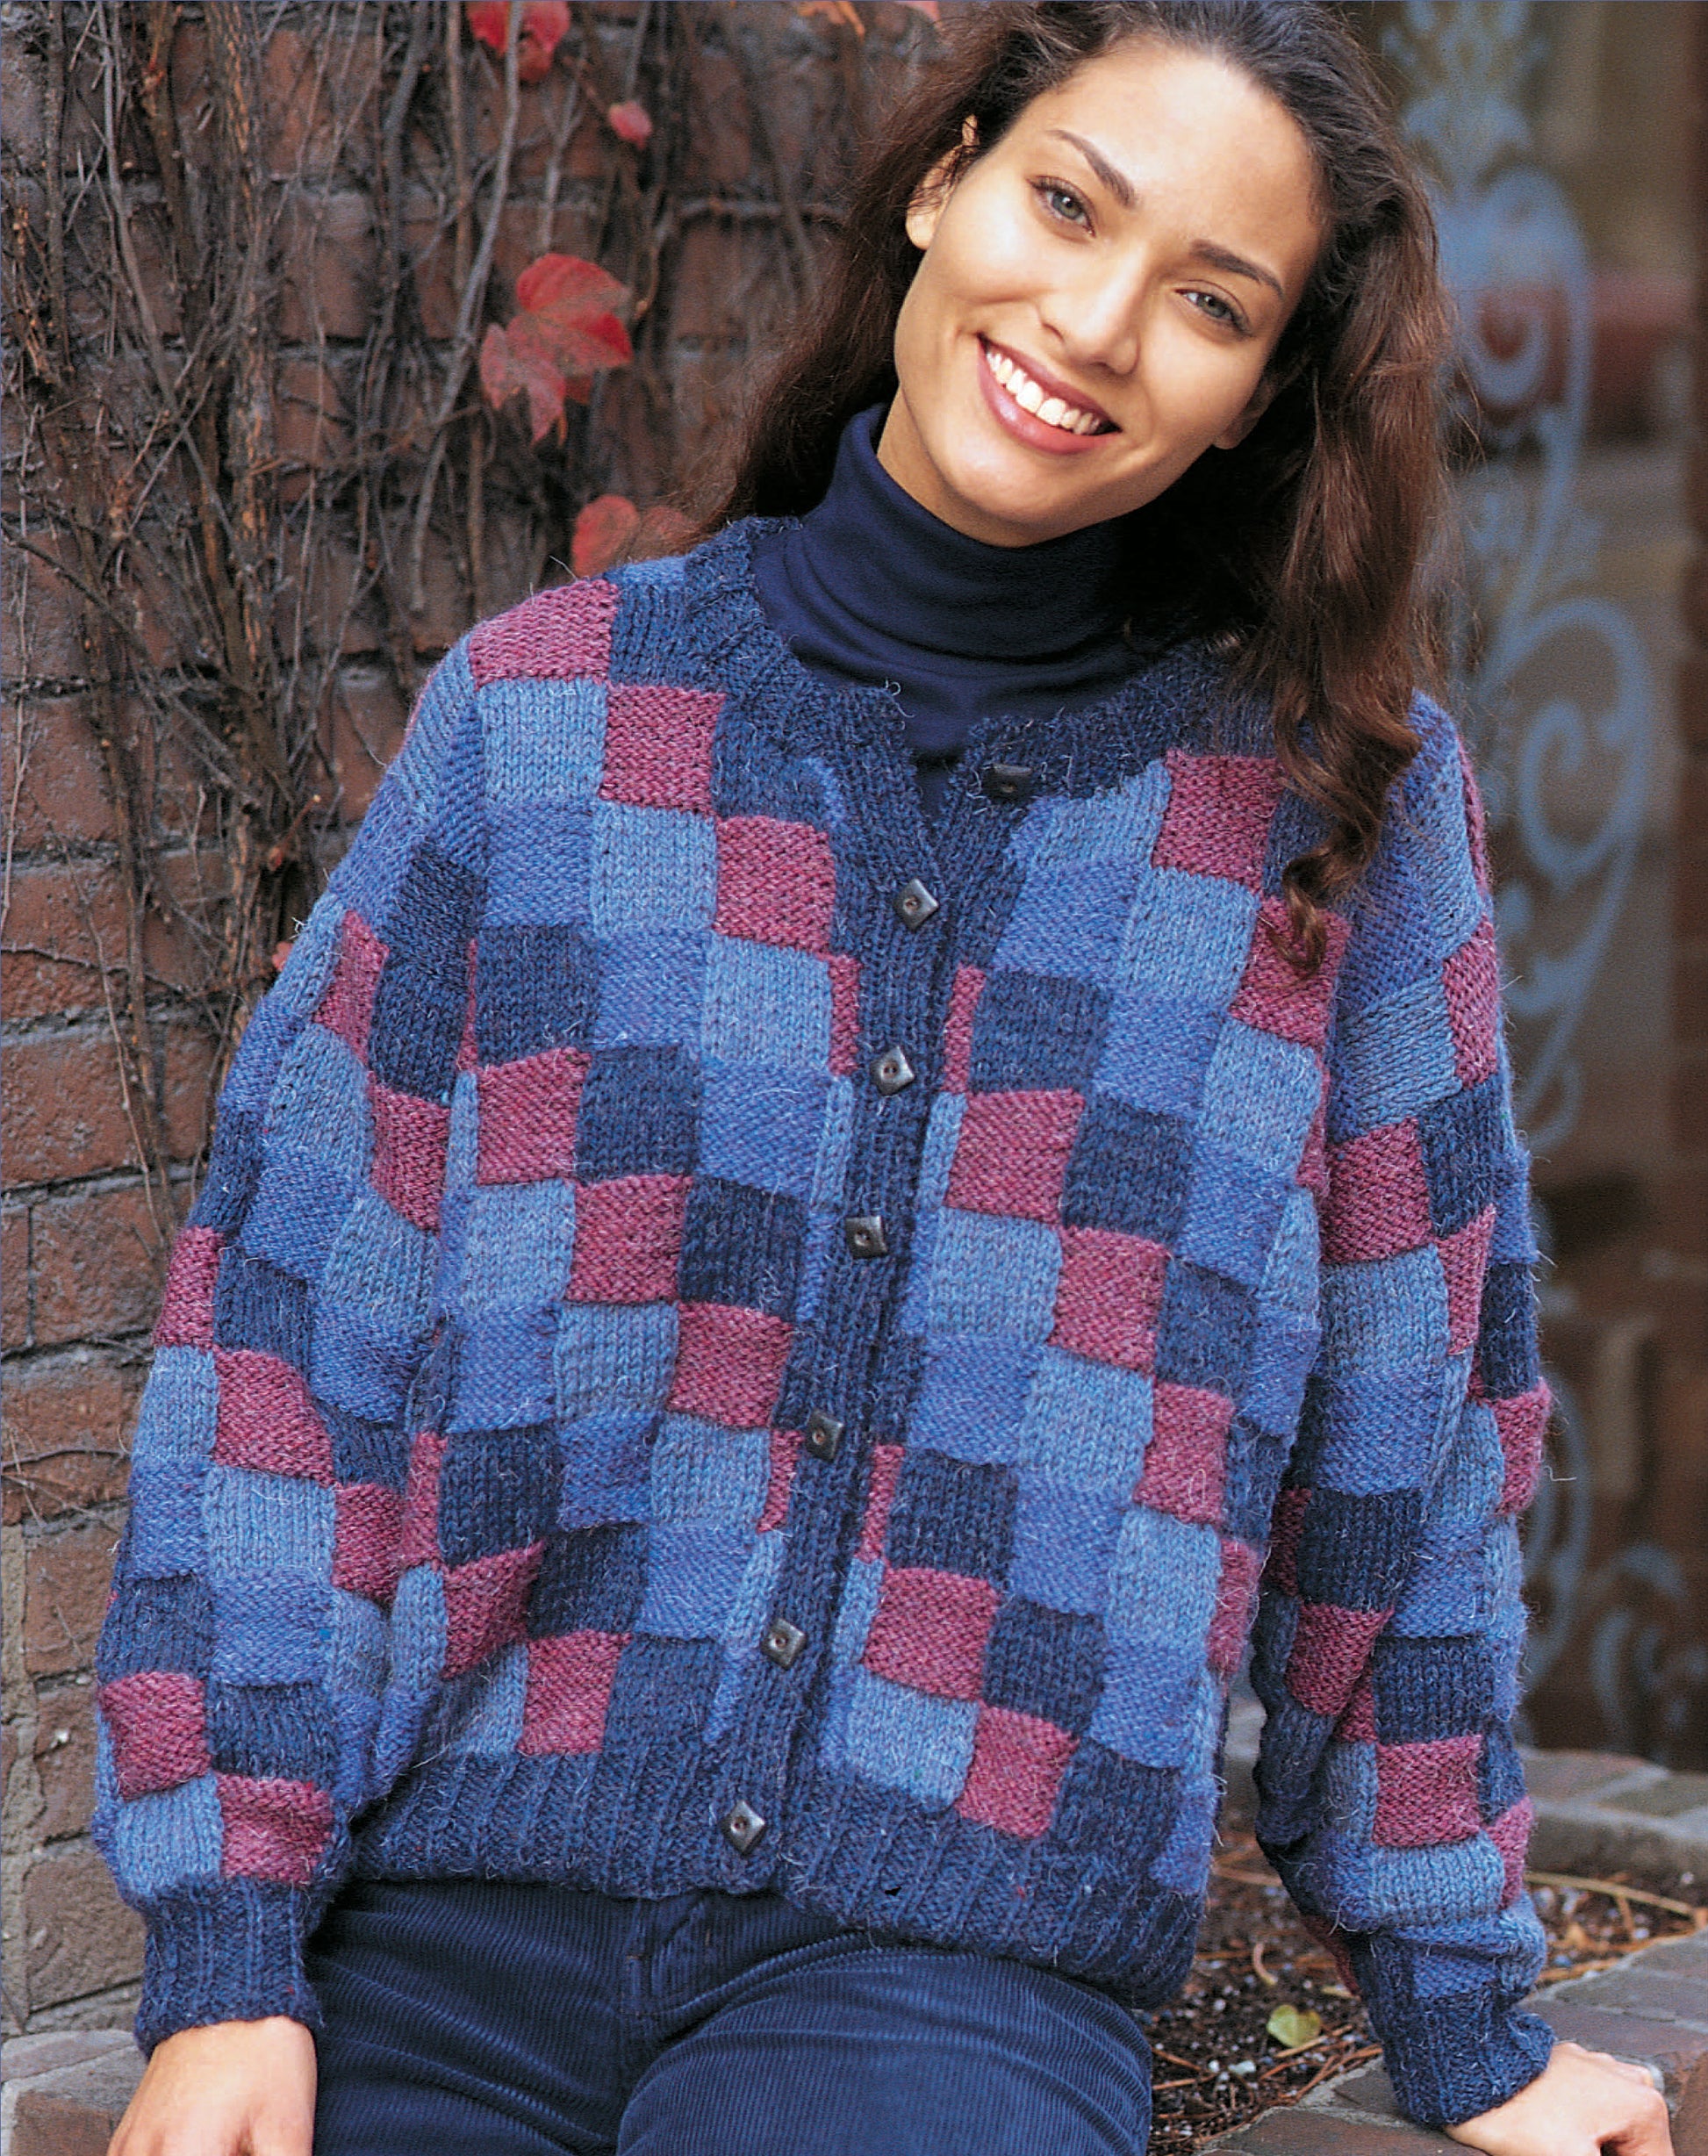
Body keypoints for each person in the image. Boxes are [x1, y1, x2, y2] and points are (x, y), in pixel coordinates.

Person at [98, 6, 1673, 2153]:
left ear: (1256, 400)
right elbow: (288, 1336)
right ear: (942, 186)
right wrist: (227, 1955)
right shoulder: (550, 723)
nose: (1096, 322)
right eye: (1063, 204)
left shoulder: (1332, 827)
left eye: (1208, 303)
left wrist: (1464, 2016)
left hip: (951, 1980)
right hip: (446, 1938)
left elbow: (1409, 1438)